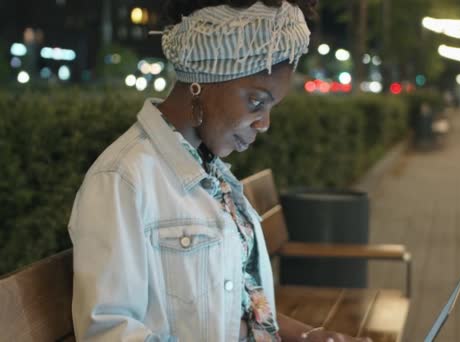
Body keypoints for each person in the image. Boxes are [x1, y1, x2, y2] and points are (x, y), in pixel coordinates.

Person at [68, 0, 372, 341]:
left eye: (272, 107)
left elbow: (239, 311)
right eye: (257, 101)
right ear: (202, 79)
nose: (265, 123)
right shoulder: (122, 180)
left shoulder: (213, 176)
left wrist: (308, 336)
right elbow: (109, 333)